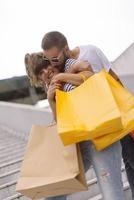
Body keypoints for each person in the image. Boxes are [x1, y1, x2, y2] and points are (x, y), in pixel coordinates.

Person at [25, 49, 125, 200]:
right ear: (38, 78)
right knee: (53, 193)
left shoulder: (68, 64)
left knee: (112, 194)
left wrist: (63, 76)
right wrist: (51, 100)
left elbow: (92, 77)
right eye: (41, 72)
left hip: (101, 136)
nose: (47, 72)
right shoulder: (49, 85)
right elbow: (61, 121)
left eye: (46, 66)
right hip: (78, 144)